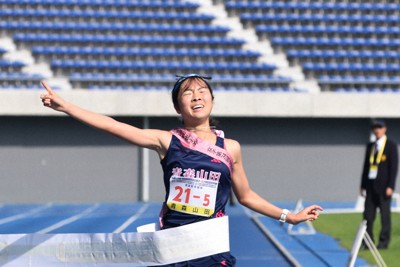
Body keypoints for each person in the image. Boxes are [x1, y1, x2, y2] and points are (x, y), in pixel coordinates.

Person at [40, 74, 322, 266]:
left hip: (211, 247)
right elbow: (114, 126)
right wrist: (66, 106)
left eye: (202, 91)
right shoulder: (168, 140)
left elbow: (246, 196)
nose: (196, 96)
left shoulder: (231, 148)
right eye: (188, 92)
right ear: (178, 106)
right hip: (172, 246)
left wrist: (290, 216)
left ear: (211, 100)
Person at [360, 119, 398, 249]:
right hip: (371, 187)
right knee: (367, 216)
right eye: (375, 128)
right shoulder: (370, 146)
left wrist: (391, 186)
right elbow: (366, 167)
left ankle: (383, 242)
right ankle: (367, 242)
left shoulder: (391, 146)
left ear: (384, 129)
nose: (377, 130)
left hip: (384, 188)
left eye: (379, 127)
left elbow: (394, 168)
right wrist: (362, 185)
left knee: (385, 217)